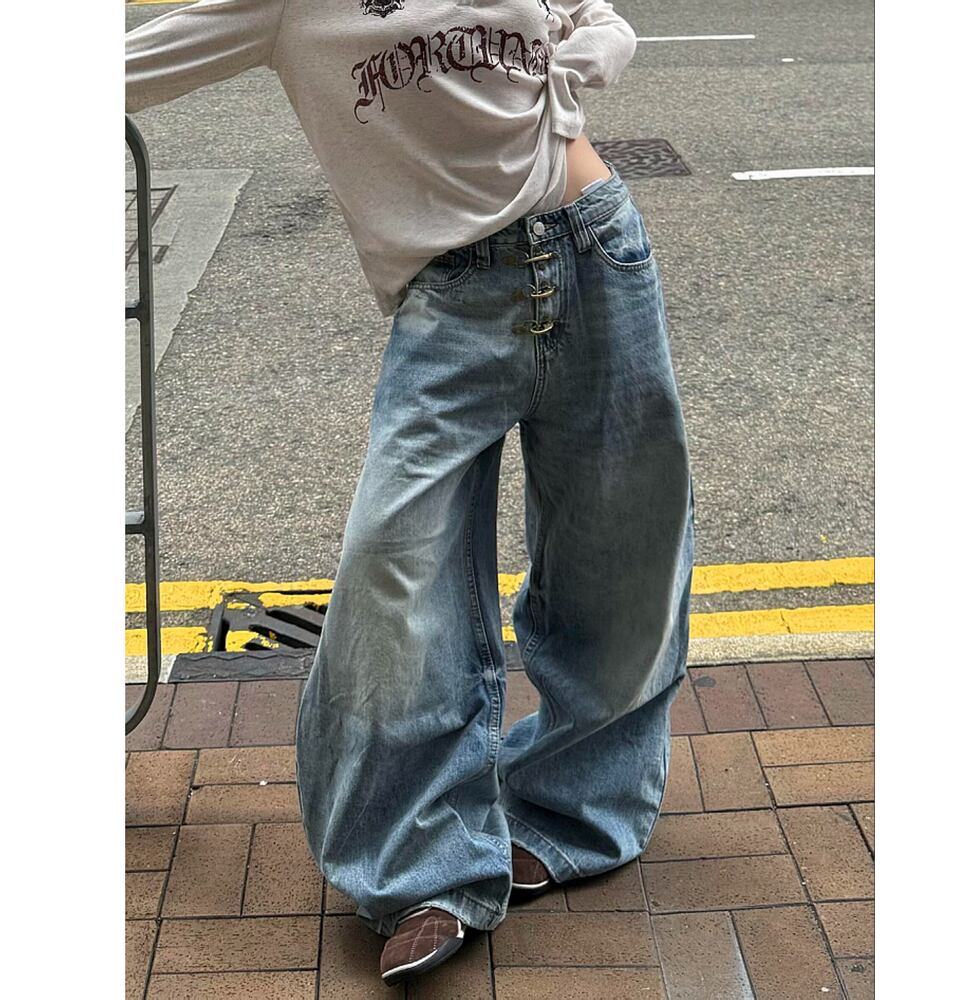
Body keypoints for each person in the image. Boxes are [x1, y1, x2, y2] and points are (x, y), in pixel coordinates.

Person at [126, 0, 695, 985]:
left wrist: (564, 86)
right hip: (450, 305)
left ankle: (573, 814)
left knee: (621, 561)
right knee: (393, 587)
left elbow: (598, 19)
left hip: (598, 248)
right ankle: (424, 869)